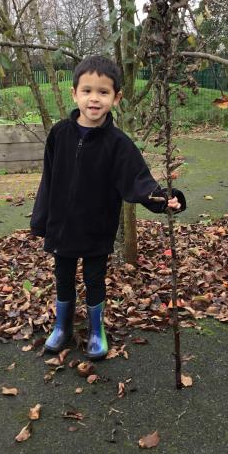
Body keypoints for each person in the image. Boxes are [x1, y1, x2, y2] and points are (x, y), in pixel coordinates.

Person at [30, 55, 186, 360]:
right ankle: (62, 327)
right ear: (74, 94)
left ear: (116, 98)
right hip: (62, 227)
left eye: (103, 92)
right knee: (63, 277)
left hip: (96, 227)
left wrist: (163, 199)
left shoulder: (118, 144)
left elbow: (138, 180)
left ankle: (96, 330)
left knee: (94, 279)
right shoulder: (59, 134)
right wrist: (41, 219)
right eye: (87, 90)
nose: (94, 98)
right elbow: (48, 179)